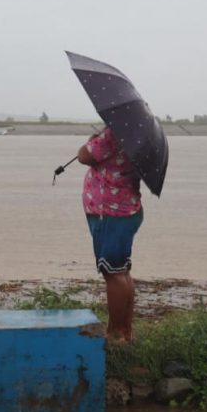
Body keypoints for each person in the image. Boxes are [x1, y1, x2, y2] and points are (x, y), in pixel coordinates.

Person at [77, 128, 143, 344]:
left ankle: (116, 334)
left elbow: (84, 155)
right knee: (121, 272)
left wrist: (92, 139)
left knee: (113, 274)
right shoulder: (135, 134)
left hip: (111, 214)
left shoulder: (113, 134)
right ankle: (125, 331)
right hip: (124, 211)